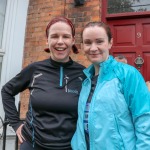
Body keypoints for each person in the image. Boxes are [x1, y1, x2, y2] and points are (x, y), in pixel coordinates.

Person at [1, 17, 85, 150]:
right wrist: (16, 124)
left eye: (66, 37)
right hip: (33, 144)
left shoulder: (83, 73)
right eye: (54, 36)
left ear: (73, 40)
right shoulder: (35, 69)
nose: (60, 42)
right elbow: (6, 91)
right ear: (47, 40)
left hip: (70, 146)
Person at [71, 21, 150, 149]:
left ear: (110, 43)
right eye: (88, 43)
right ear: (82, 46)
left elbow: (145, 119)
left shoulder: (128, 74)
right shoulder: (85, 80)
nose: (93, 48)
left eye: (99, 41)